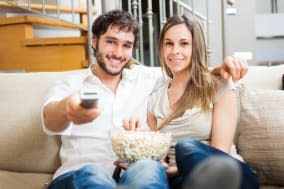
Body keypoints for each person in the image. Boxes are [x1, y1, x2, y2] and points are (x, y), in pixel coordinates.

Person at [42, 10, 249, 189]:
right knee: (95, 175)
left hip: (131, 174)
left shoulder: (146, 78)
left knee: (149, 168)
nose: (117, 53)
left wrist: (219, 71)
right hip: (80, 174)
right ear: (95, 42)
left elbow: (186, 68)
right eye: (111, 42)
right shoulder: (69, 85)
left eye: (126, 45)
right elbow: (50, 119)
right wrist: (67, 109)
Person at [123, 14, 259, 189]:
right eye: (169, 43)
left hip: (229, 175)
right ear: (161, 47)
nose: (175, 51)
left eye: (184, 43)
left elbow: (220, 153)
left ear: (196, 47)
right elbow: (161, 156)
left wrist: (173, 170)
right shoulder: (155, 99)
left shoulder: (219, 86)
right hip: (184, 181)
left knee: (185, 147)